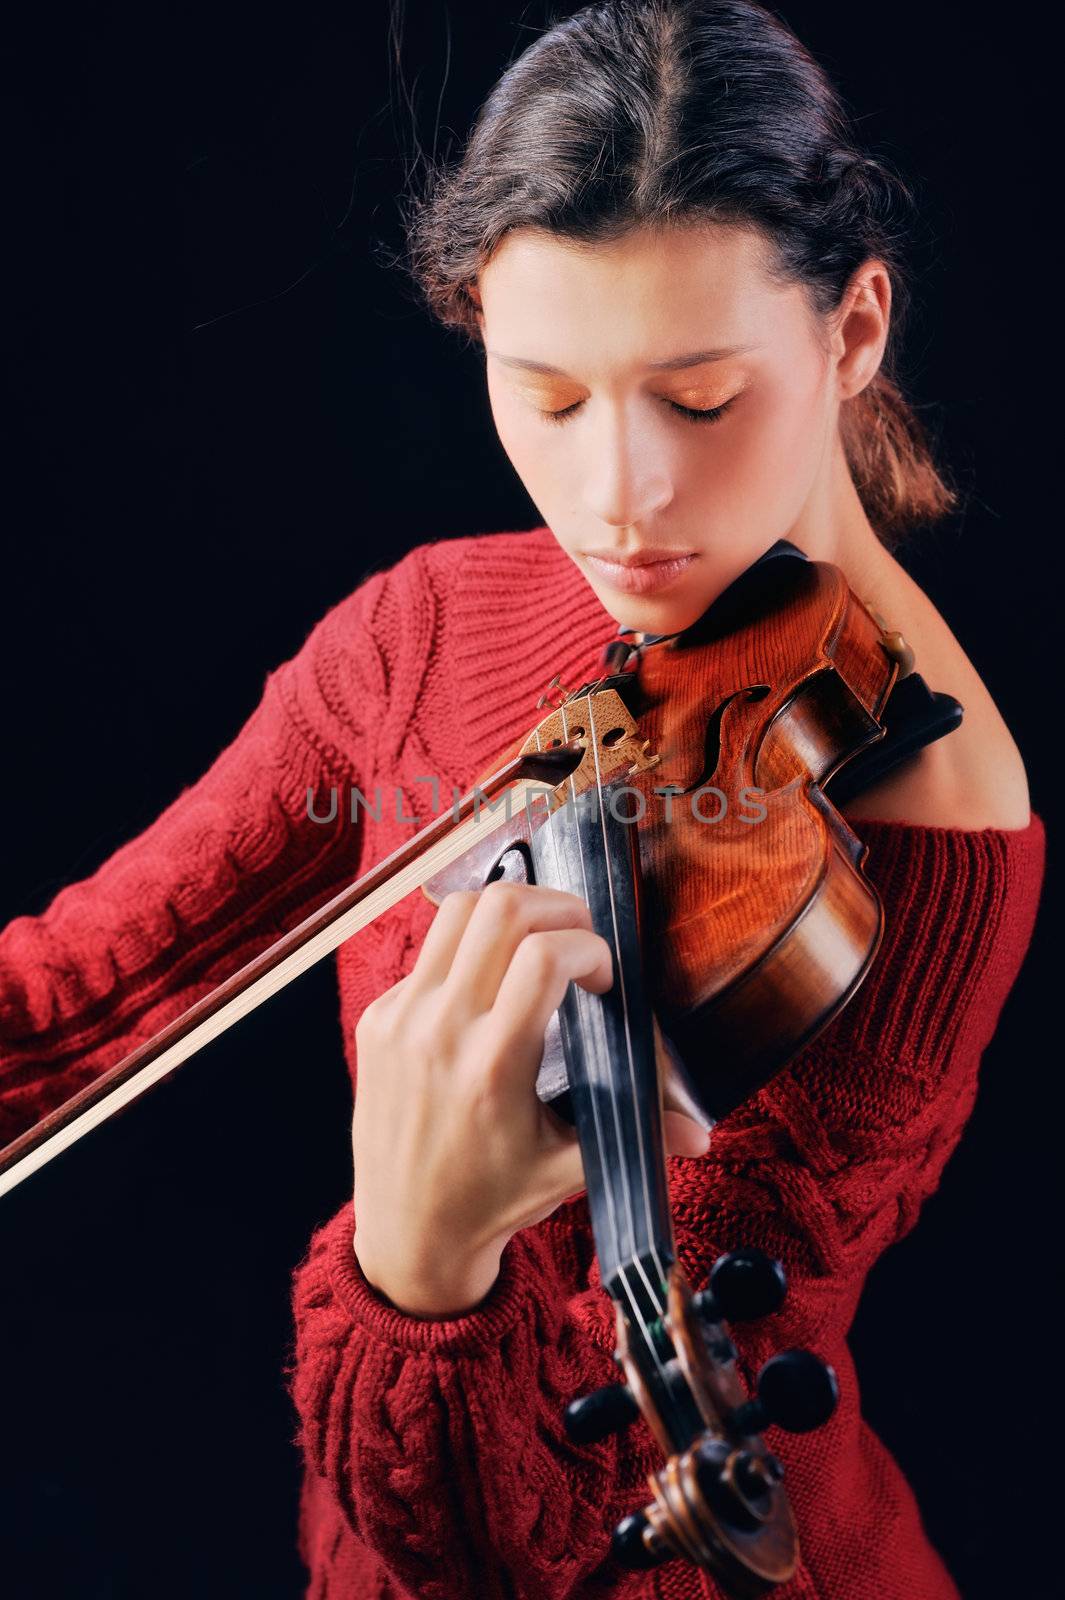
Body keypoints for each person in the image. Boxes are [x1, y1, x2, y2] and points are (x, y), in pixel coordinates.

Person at [0, 2, 1045, 1596]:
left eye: (699, 401)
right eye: (545, 396)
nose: (617, 498)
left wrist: (415, 1265)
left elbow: (571, 1531)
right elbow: (86, 990)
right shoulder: (426, 629)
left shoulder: (922, 831)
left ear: (850, 334)